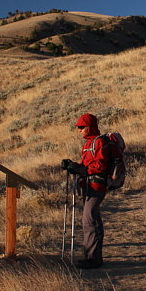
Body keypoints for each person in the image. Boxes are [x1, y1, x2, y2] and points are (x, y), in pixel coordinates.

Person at [62, 113, 110, 268]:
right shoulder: (88, 144)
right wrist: (73, 165)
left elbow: (100, 166)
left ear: (89, 127)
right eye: (78, 127)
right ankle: (94, 257)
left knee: (88, 219)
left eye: (82, 127)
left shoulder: (99, 142)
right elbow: (87, 164)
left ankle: (93, 259)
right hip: (88, 187)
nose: (79, 130)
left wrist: (81, 169)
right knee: (93, 219)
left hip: (96, 186)